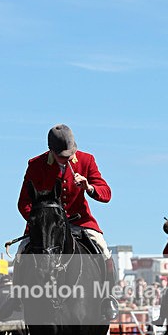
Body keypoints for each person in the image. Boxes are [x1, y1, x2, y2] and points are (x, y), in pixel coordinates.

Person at [17, 123, 117, 320]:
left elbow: (106, 194)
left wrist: (89, 187)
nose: (68, 158)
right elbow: (24, 203)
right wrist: (40, 223)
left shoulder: (87, 160)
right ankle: (20, 300)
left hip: (79, 222)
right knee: (21, 254)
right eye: (63, 156)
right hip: (47, 227)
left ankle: (107, 298)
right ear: (51, 151)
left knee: (104, 252)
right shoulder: (35, 165)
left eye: (71, 153)